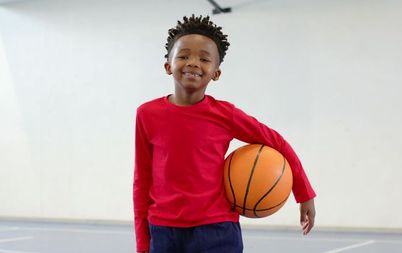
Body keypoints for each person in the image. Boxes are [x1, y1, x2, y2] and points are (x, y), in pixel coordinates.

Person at [133, 14, 316, 253]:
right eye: (183, 55)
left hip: (216, 229)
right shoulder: (147, 114)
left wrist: (304, 194)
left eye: (204, 59)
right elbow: (142, 180)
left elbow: (277, 142)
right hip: (164, 230)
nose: (193, 63)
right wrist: (142, 242)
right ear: (168, 66)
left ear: (216, 73)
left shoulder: (225, 114)